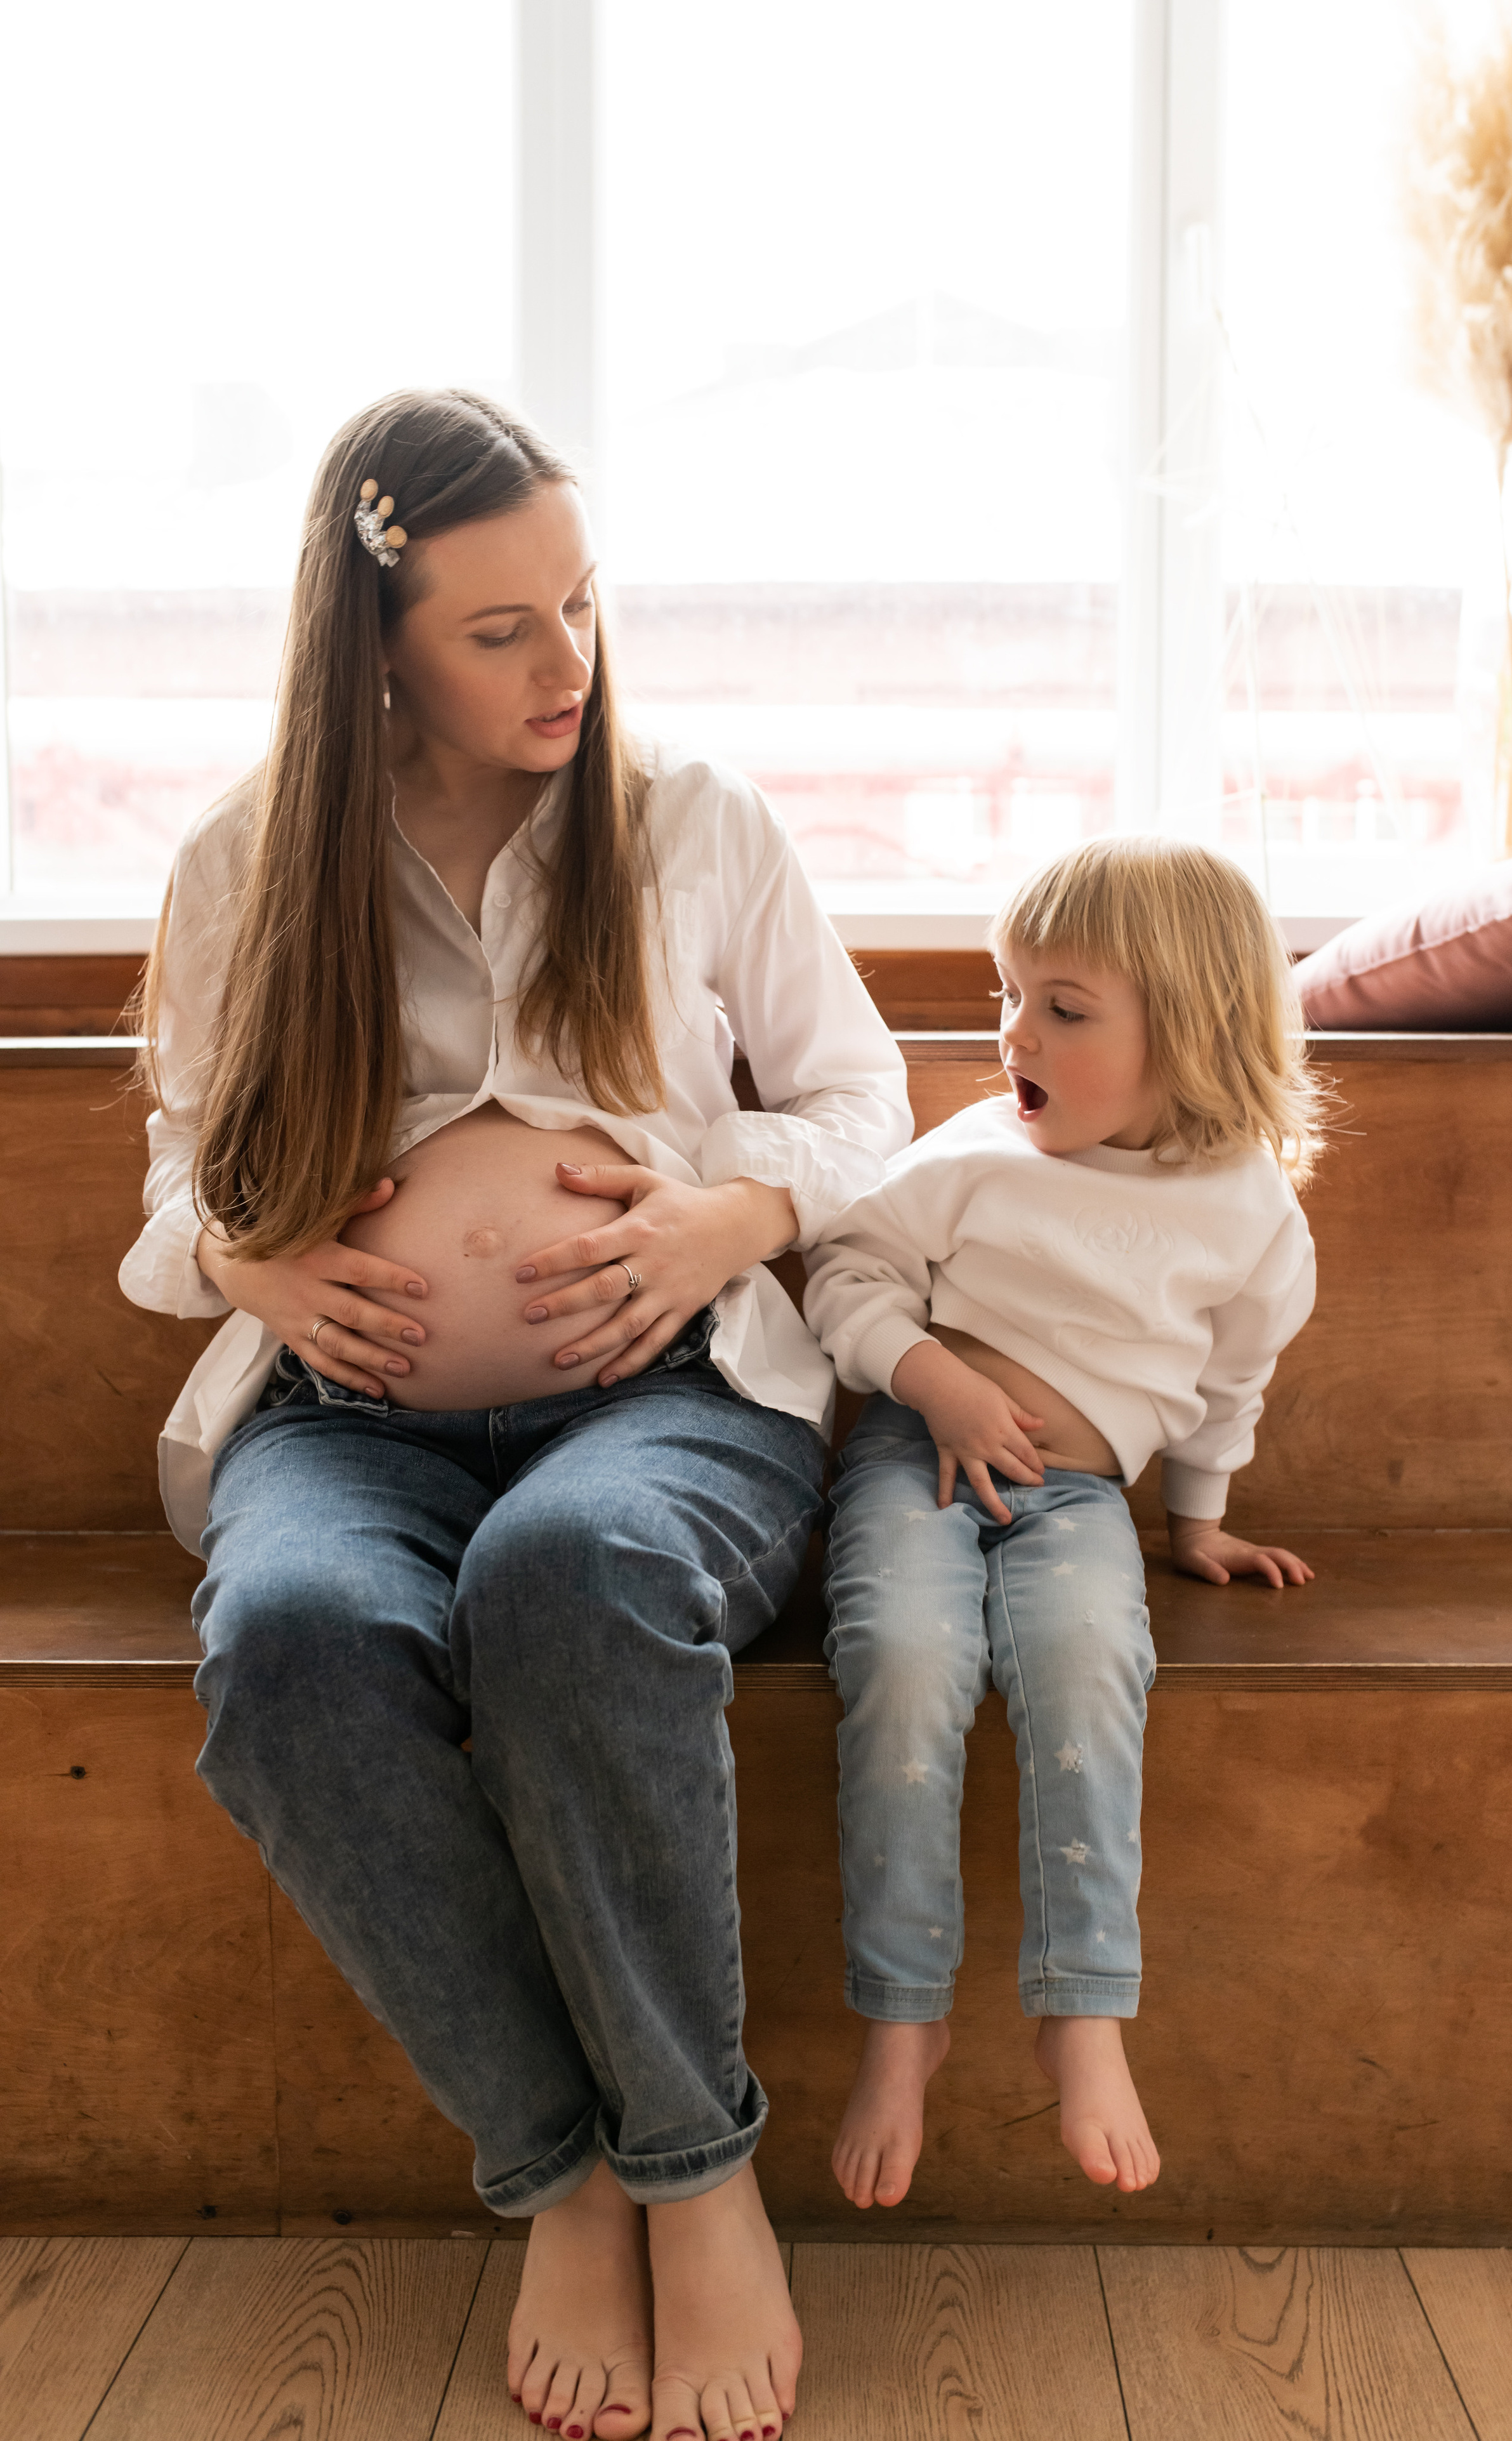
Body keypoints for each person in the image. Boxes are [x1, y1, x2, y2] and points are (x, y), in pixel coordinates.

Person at [119, 387, 911, 2441]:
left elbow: (865, 1100)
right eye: (500, 629)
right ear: (375, 644)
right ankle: (566, 2166)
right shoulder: (245, 863)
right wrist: (251, 1263)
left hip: (673, 1394)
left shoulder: (696, 821)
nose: (568, 660)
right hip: (344, 1423)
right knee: (288, 1644)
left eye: (580, 600)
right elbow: (182, 1170)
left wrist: (724, 1212)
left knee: (568, 1573)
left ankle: (698, 2166)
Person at [801, 837, 1320, 2213]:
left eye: (1063, 1008)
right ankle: (903, 2016)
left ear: (1190, 1035)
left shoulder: (1248, 1211)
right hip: (917, 1457)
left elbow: (1231, 1382)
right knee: (908, 1657)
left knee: (1088, 1662)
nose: (1013, 1033)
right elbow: (846, 1273)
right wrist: (937, 1381)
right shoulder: (977, 1154)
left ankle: (1082, 2008)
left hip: (1078, 1498)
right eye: (1009, 994)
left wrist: (1198, 1521)